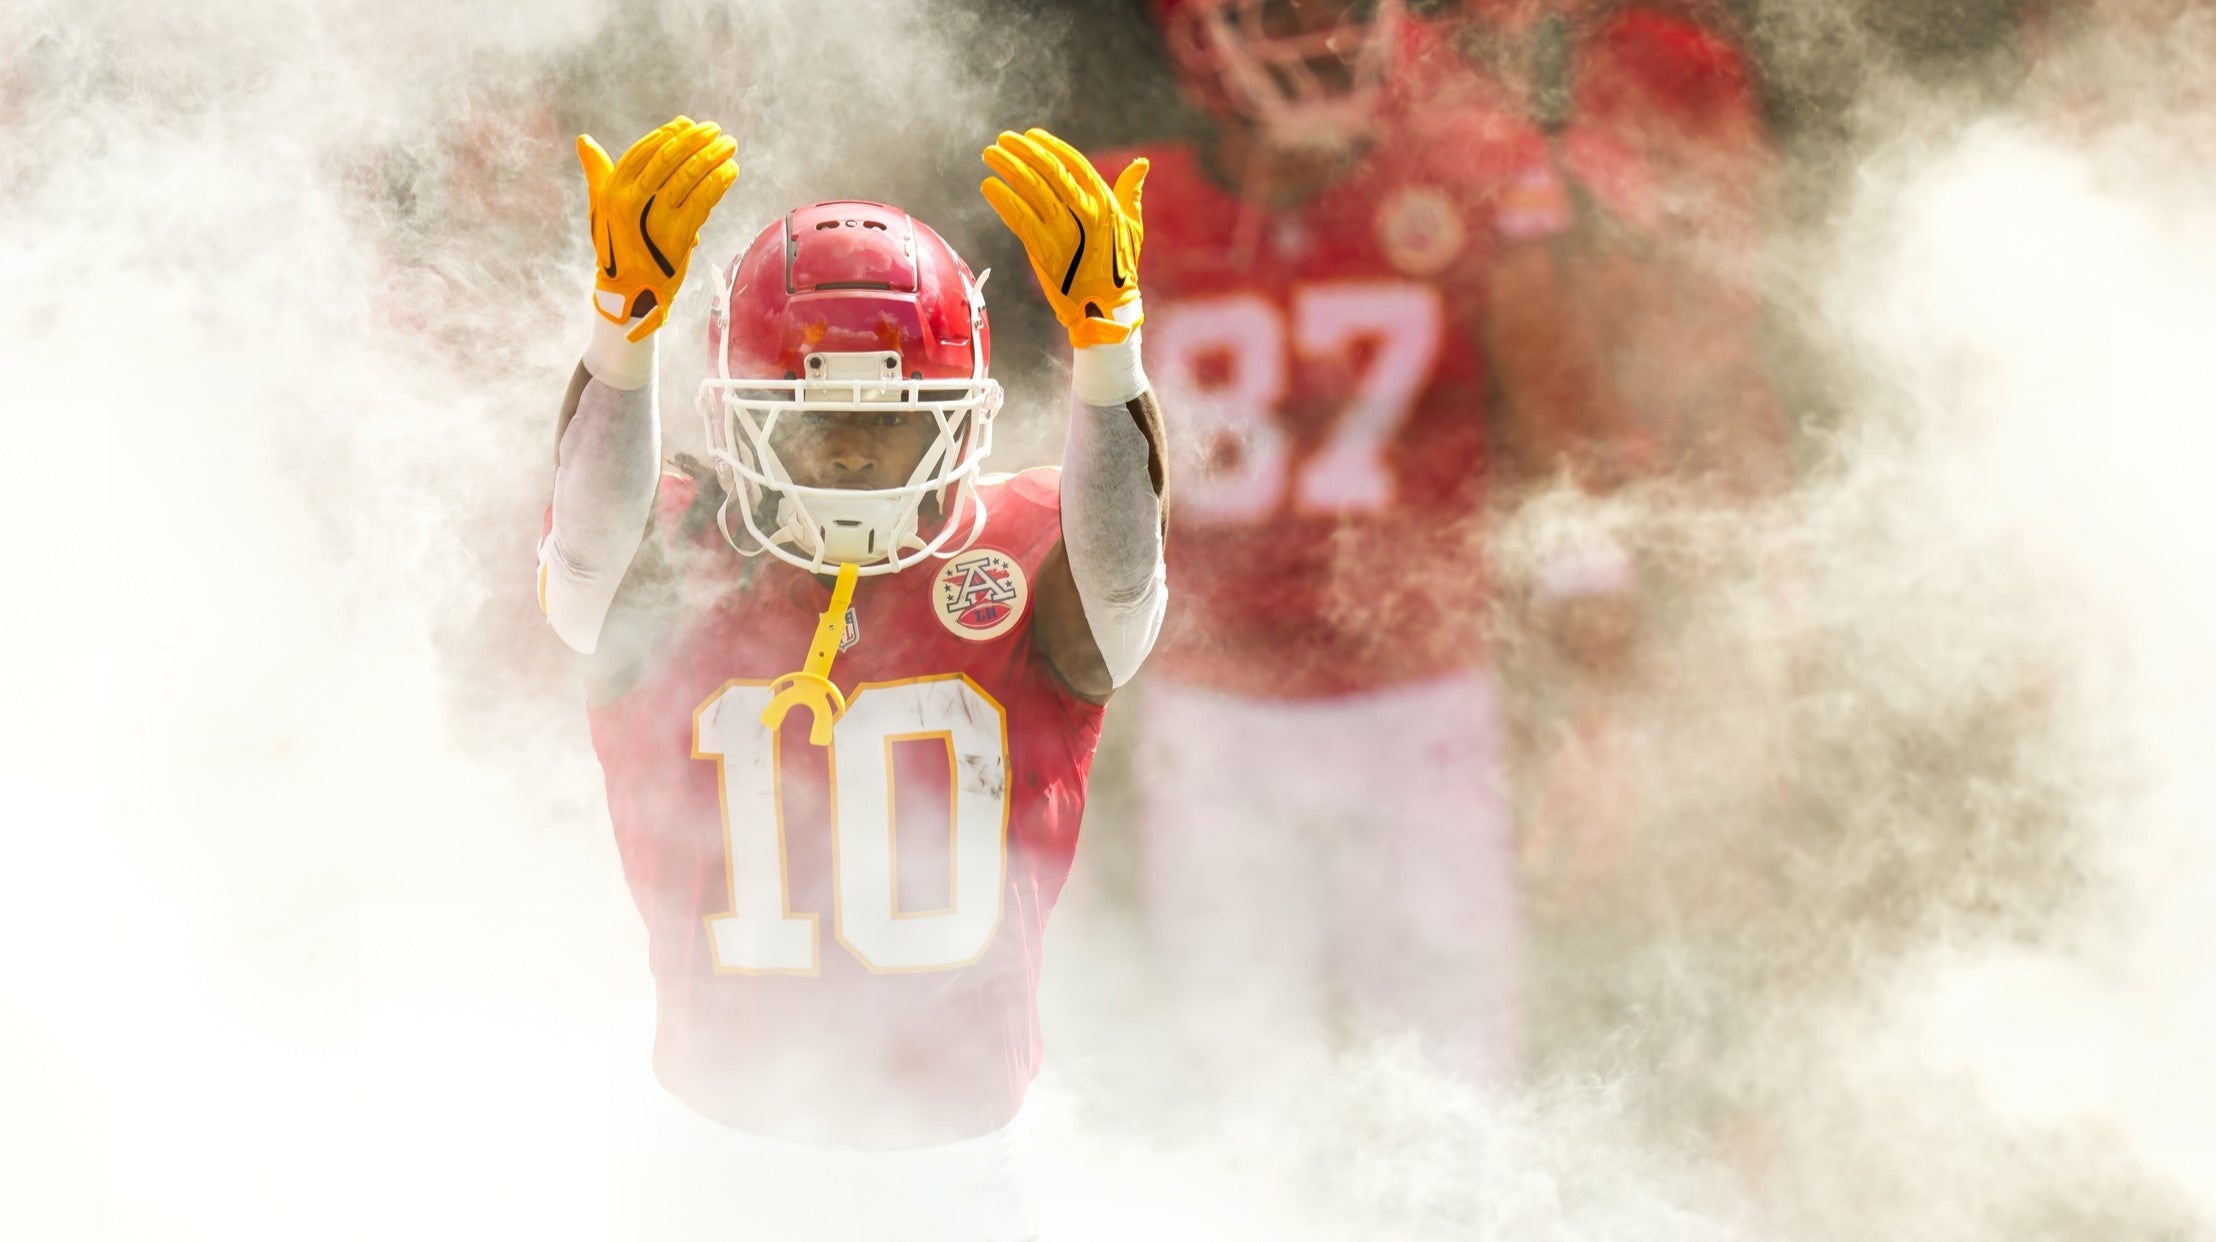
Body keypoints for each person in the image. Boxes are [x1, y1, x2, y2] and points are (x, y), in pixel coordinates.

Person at [1109, 0, 1787, 1091]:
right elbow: (1072, 478)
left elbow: (1558, 455)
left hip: (1418, 702)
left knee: (1452, 1086)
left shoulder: (1464, 180)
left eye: (1340, 10)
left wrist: (1597, 713)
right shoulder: (1120, 209)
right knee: (1234, 1087)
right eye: (1284, 11)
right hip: (1212, 709)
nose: (1321, 36)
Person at [536, 116, 1167, 1240]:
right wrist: (619, 334)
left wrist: (1111, 356)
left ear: (962, 417)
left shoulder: (1024, 556)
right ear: (732, 411)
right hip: (721, 1159)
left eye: (890, 419)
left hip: (956, 1168)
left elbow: (1126, 587)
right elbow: (582, 563)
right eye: (813, 412)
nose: (845, 450)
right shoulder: (672, 550)